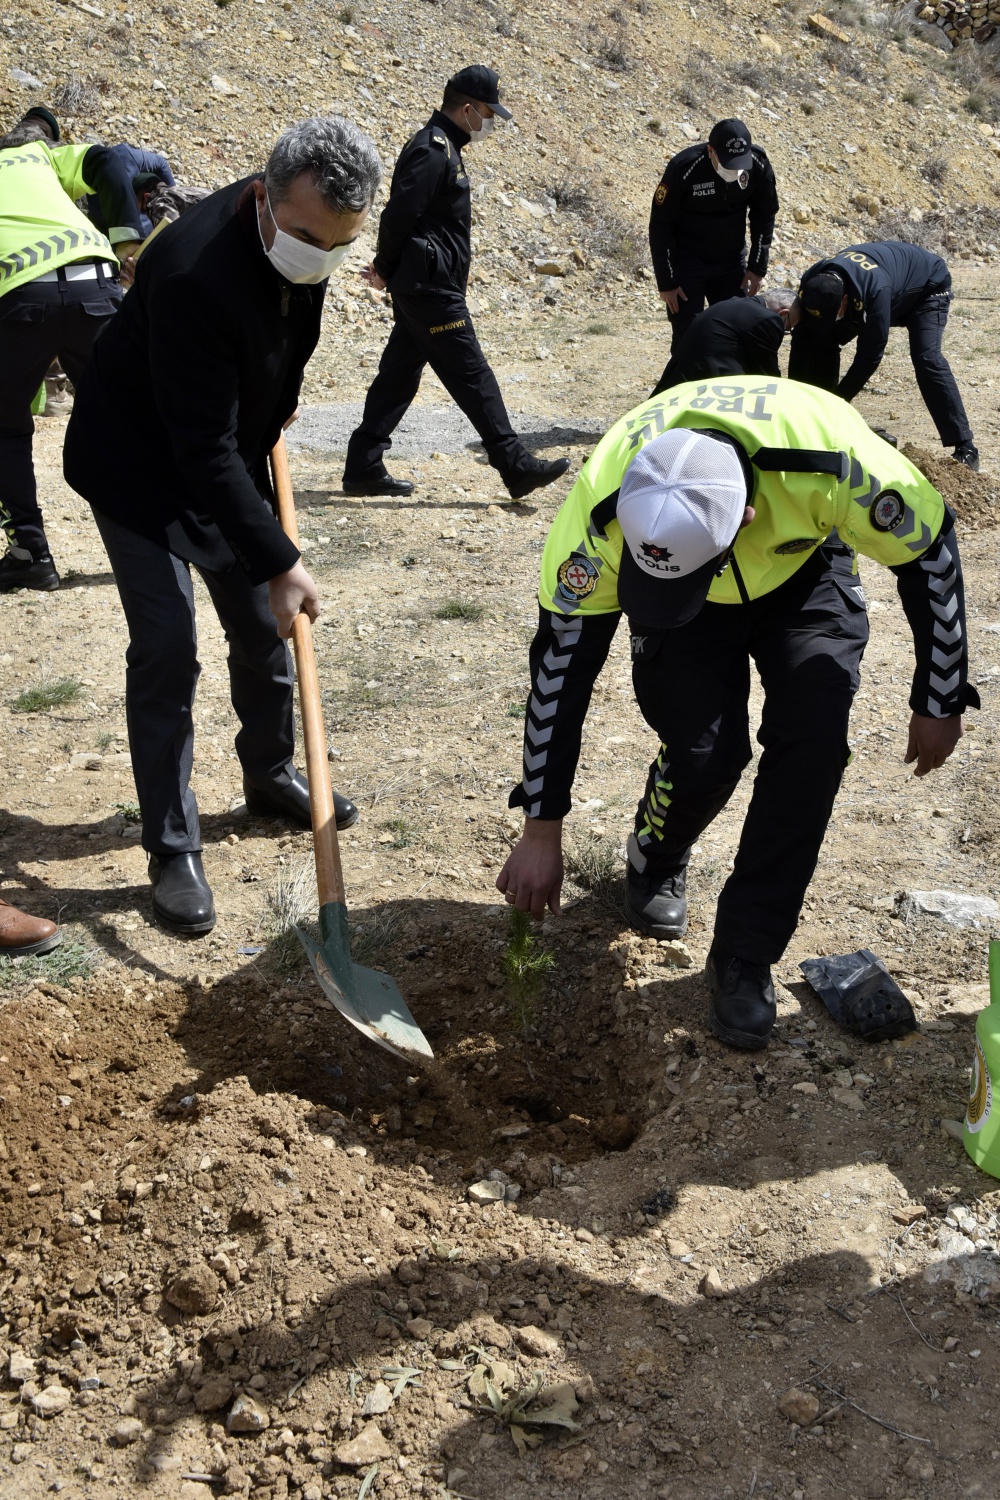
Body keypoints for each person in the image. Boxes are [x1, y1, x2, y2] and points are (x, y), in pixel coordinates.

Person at [496, 377, 975, 1051]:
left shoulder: (835, 460)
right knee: (704, 754)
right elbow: (560, 671)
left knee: (813, 742)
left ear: (744, 519)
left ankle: (745, 955)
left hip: (802, 569)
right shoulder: (602, 508)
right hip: (688, 606)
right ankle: (655, 852)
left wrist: (940, 694)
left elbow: (931, 552)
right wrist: (542, 829)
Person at [63, 117, 381, 936]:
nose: (323, 256)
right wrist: (279, 555)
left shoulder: (301, 245)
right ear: (262, 199)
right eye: (311, 236)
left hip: (222, 451)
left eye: (340, 244)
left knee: (257, 627)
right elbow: (197, 449)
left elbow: (281, 354)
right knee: (169, 644)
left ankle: (271, 773)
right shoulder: (192, 272)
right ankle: (172, 847)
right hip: (137, 467)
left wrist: (270, 412)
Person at [343, 65, 570, 501]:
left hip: (426, 284)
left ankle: (363, 466)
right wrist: (385, 268)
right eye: (487, 113)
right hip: (430, 289)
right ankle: (515, 464)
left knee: (398, 375)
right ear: (467, 108)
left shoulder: (446, 148)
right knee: (472, 374)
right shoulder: (432, 149)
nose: (489, 123)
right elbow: (397, 215)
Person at [0, 121, 142, 592]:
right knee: (131, 417)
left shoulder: (26, 154)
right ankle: (175, 539)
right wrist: (126, 239)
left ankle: (29, 552)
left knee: (4, 429)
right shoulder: (41, 157)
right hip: (96, 285)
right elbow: (107, 160)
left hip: (18, 295)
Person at [790, 241, 978, 470]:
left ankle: (965, 447)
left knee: (926, 358)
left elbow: (869, 355)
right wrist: (796, 399)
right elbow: (802, 337)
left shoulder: (874, 290)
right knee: (823, 339)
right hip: (885, 284)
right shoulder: (813, 280)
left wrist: (840, 402)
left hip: (926, 288)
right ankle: (820, 421)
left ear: (845, 301)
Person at [649, 117, 778, 354]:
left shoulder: (757, 165)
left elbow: (764, 215)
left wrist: (757, 267)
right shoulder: (684, 168)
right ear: (711, 151)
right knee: (688, 335)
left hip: (730, 261)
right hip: (688, 262)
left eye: (740, 163)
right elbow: (660, 225)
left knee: (737, 329)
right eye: (729, 164)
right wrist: (666, 282)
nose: (736, 170)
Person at [651, 288, 795, 394]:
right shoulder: (769, 318)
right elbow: (767, 377)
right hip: (703, 389)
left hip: (677, 382)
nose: (784, 331)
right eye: (788, 327)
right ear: (783, 314)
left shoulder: (733, 303)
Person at [86, 142, 175, 240]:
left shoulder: (131, 158)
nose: (142, 212)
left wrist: (171, 191)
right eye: (143, 209)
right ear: (145, 195)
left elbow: (161, 163)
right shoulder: (105, 205)